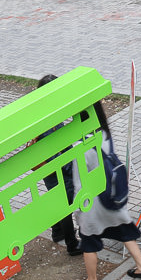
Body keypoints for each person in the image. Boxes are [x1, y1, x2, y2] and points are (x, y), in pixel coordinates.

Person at [73, 102, 141, 280]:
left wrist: (78, 210)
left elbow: (79, 183)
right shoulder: (105, 135)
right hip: (113, 199)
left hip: (94, 205)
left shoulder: (81, 146)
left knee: (89, 242)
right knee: (125, 233)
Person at [34, 74, 80, 256]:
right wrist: (68, 166)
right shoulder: (47, 117)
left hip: (52, 168)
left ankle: (57, 231)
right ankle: (72, 244)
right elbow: (51, 148)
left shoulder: (43, 110)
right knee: (65, 203)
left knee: (58, 200)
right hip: (58, 168)